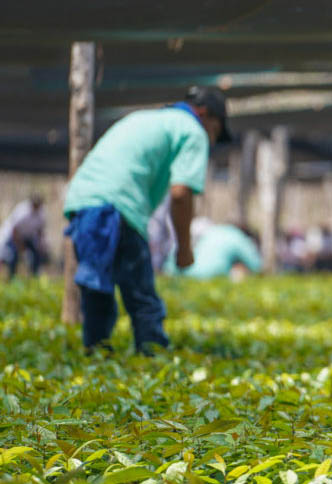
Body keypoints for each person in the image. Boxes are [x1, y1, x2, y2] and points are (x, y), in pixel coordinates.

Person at [63, 86, 230, 353]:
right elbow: (181, 194)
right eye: (216, 129)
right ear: (205, 114)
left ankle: (94, 354)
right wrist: (184, 249)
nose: (212, 139)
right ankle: (152, 357)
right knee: (142, 296)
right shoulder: (192, 130)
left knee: (97, 289)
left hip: (82, 202)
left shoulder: (148, 118)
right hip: (117, 205)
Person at [167, 223, 262, 280]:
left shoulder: (213, 231)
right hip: (212, 275)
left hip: (184, 273)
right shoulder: (238, 236)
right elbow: (255, 265)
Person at [1, 196, 48, 279]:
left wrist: (40, 244)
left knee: (36, 255)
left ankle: (34, 276)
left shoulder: (41, 212)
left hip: (28, 236)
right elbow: (14, 230)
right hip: (14, 236)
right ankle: (12, 277)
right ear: (32, 204)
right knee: (13, 256)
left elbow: (40, 230)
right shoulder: (23, 211)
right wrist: (20, 247)